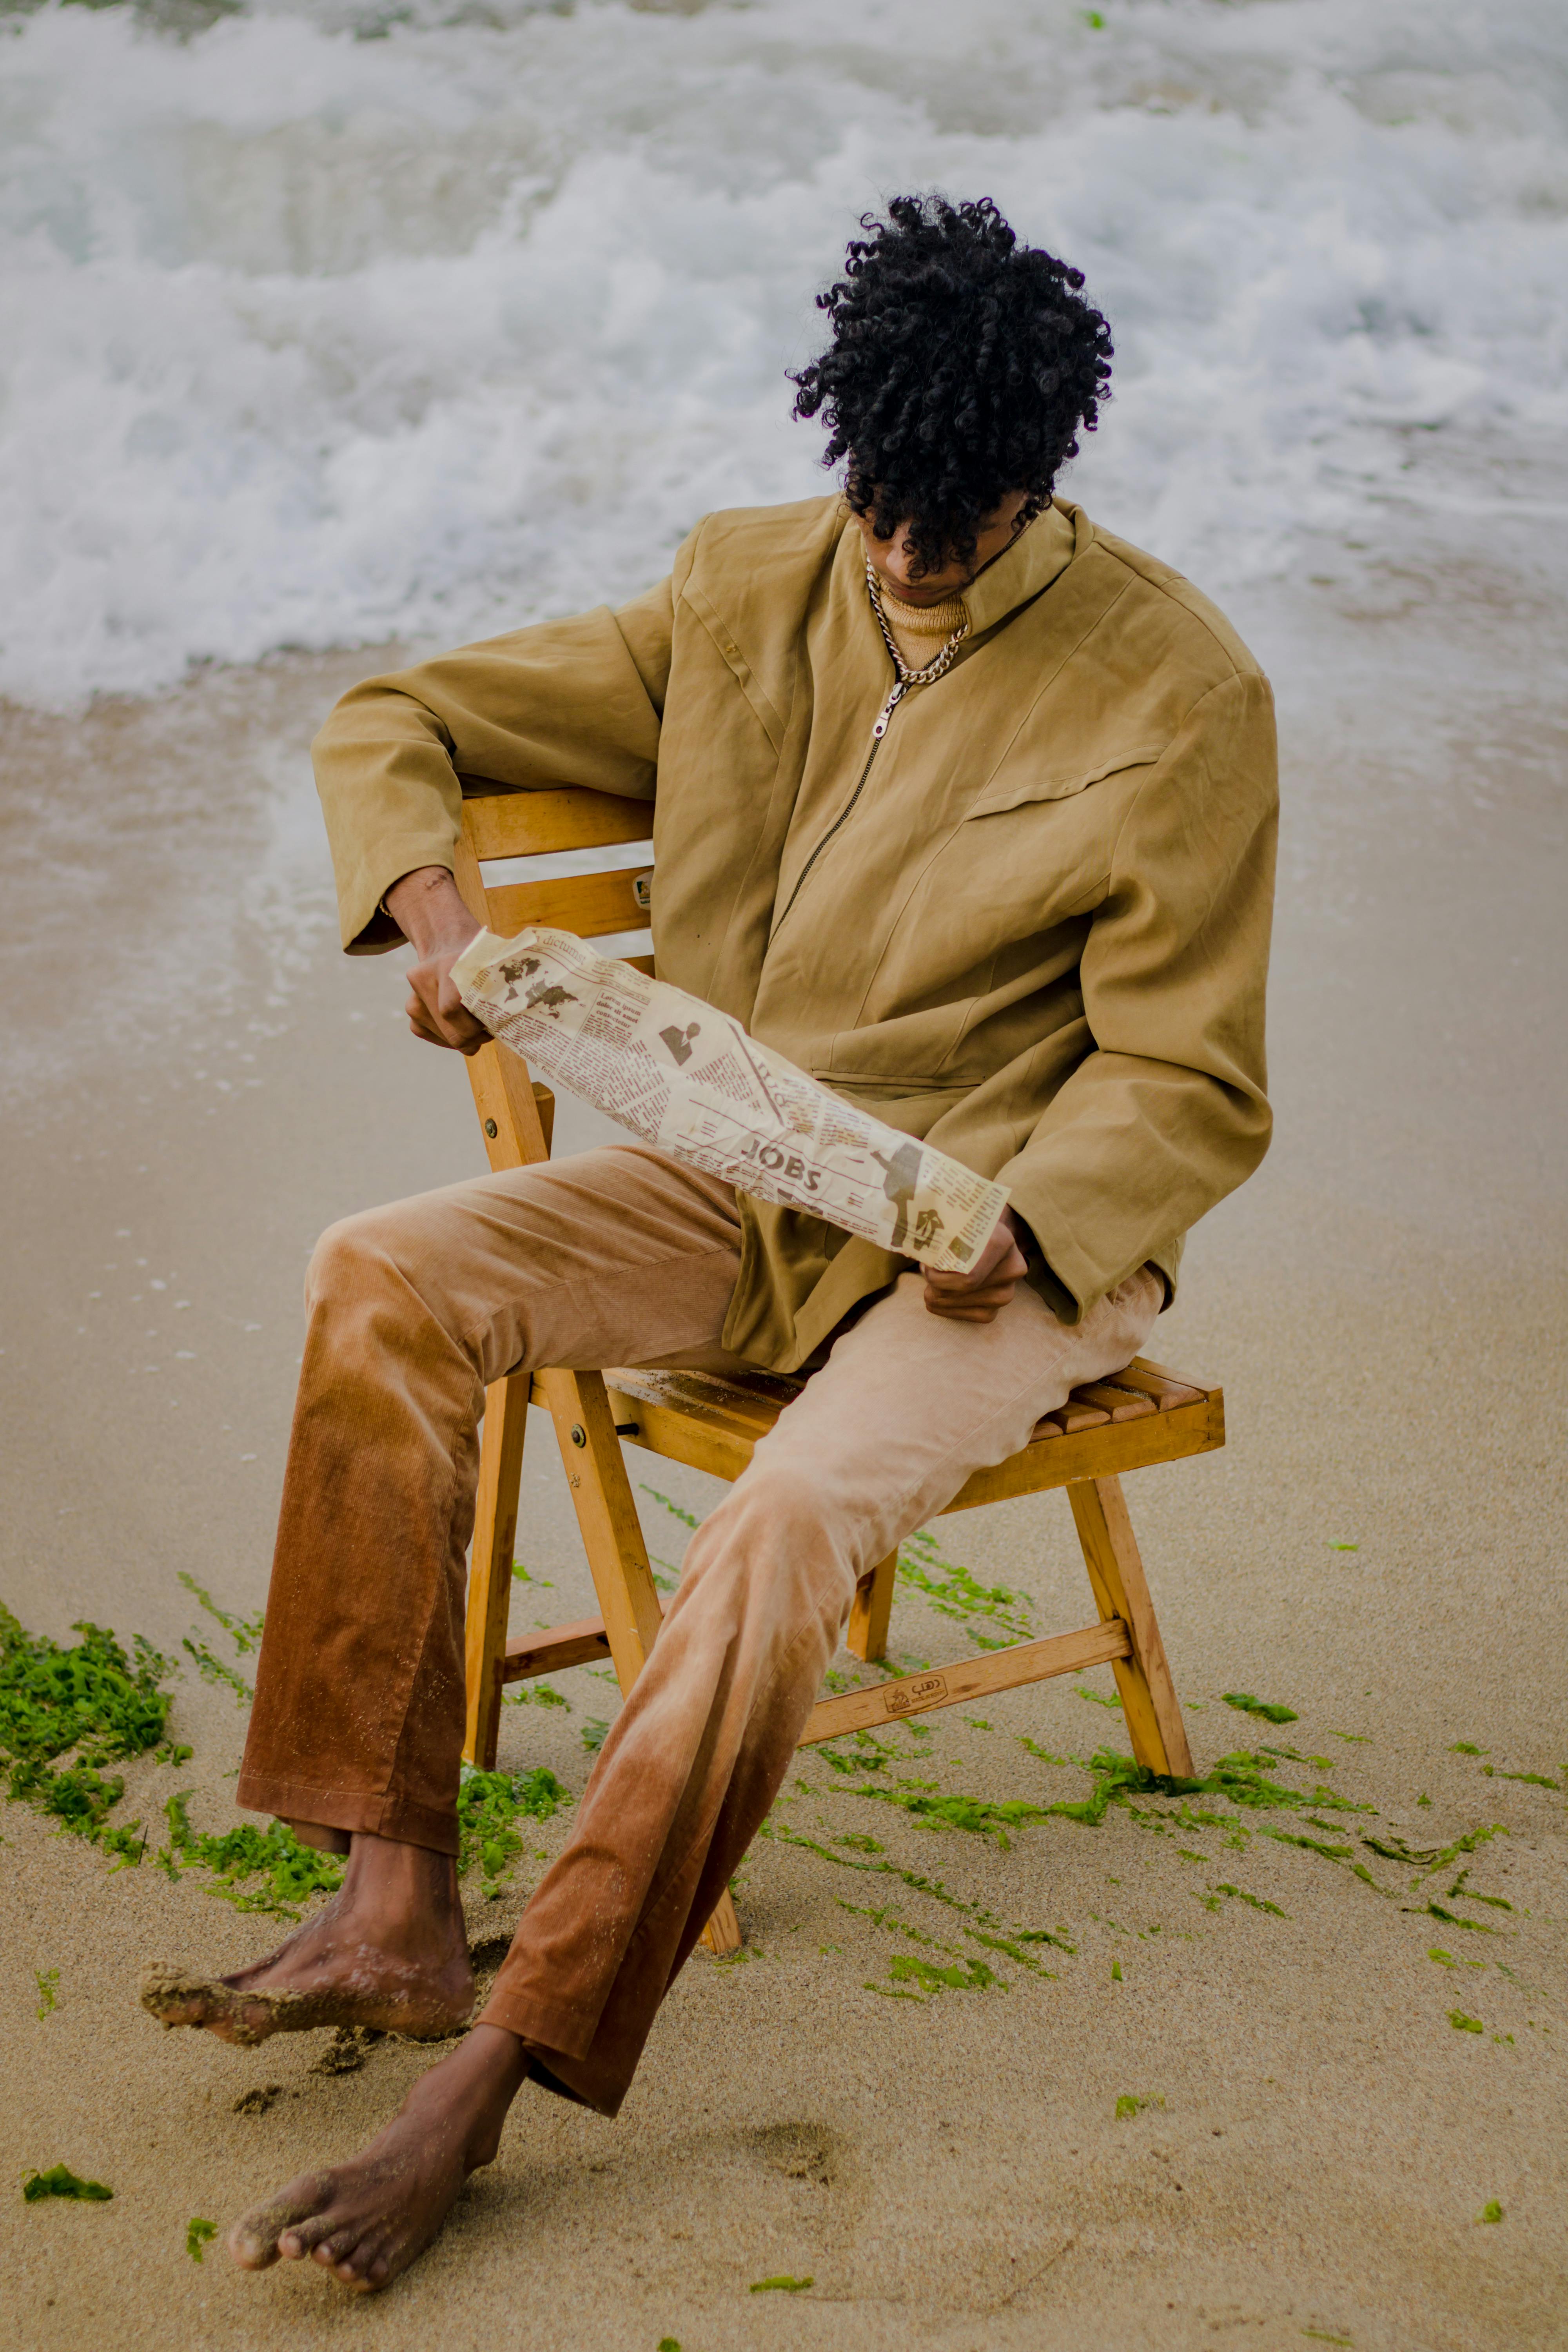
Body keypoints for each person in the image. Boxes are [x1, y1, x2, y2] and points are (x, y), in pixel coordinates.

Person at [143, 193, 1276, 2292]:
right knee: (377, 1273)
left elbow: (1192, 1079)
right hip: (738, 1176)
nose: (907, 554)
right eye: (880, 499)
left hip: (1005, 1235)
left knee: (775, 1532)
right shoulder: (749, 582)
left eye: (956, 515)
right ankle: (395, 1907)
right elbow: (394, 717)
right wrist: (442, 922)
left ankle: (491, 2071)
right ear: (837, 435)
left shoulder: (1182, 693)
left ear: (1041, 476)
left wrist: (1025, 1219)